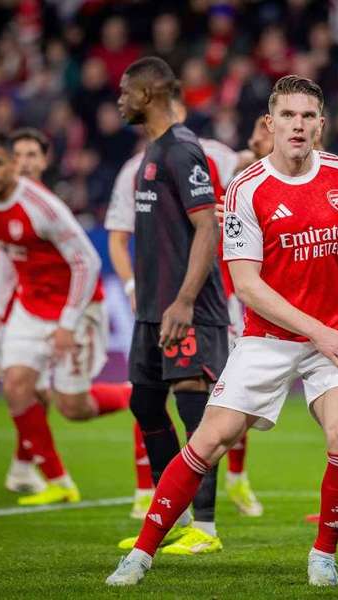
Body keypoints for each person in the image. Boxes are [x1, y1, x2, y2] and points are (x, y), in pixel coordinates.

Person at [105, 75, 338, 588]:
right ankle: (141, 554)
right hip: (269, 339)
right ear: (271, 124)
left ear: (321, 123)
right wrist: (319, 332)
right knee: (209, 441)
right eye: (288, 116)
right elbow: (249, 287)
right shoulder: (247, 188)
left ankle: (324, 555)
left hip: (334, 337)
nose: (298, 125)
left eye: (308, 116)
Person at [0, 128, 131, 500]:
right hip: (30, 306)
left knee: (72, 406)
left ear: (14, 166)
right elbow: (0, 252)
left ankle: (131, 394)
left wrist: (67, 324)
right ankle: (57, 481)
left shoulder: (43, 207)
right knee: (17, 384)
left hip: (78, 305)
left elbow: (87, 261)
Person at [105, 93, 263, 520]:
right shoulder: (131, 169)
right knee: (148, 399)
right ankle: (163, 500)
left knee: (217, 399)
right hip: (155, 303)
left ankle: (217, 500)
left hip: (216, 298)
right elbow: (118, 235)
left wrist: (264, 145)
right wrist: (134, 284)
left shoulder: (205, 153)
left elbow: (250, 166)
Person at [110, 57, 231, 556]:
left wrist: (183, 300)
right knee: (144, 402)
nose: (119, 98)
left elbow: (208, 225)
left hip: (186, 307)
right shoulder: (150, 152)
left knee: (192, 406)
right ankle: (172, 509)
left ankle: (204, 526)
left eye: (125, 90)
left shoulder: (183, 150)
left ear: (149, 94)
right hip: (152, 308)